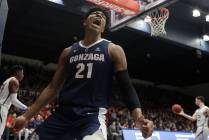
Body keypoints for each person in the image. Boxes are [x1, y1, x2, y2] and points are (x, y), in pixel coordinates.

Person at [13, 7, 154, 140]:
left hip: (91, 116)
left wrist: (138, 118)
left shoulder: (113, 50)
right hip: (62, 114)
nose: (99, 15)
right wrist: (26, 117)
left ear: (103, 27)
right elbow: (53, 88)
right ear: (85, 22)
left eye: (103, 16)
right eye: (94, 13)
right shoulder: (68, 52)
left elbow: (126, 88)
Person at [0, 65, 28, 139]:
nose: (23, 75)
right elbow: (14, 100)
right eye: (22, 73)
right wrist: (26, 108)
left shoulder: (7, 80)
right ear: (18, 73)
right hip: (2, 107)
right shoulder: (14, 81)